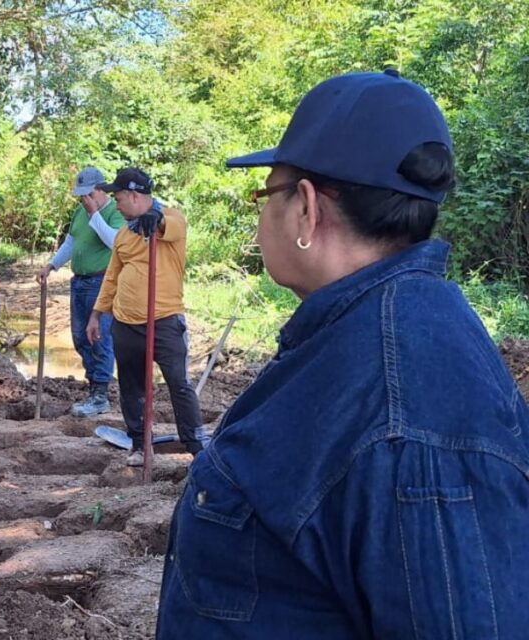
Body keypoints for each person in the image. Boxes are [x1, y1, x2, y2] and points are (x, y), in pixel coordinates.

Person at [156, 70, 529, 639]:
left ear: (306, 208)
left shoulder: (404, 409)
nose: (261, 219)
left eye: (266, 195)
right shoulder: (362, 335)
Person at [87, 168, 206, 467]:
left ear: (135, 196)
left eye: (118, 198)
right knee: (131, 386)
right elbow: (112, 277)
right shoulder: (125, 235)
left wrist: (158, 220)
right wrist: (96, 314)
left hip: (164, 320)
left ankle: (197, 448)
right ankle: (140, 444)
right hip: (125, 323)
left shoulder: (172, 218)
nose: (116, 204)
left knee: (178, 383)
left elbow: (174, 225)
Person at [37, 166, 125, 417]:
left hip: (102, 281)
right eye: (81, 195)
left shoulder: (113, 212)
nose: (84, 200)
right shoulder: (80, 211)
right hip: (79, 281)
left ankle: (100, 393)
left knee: (100, 336)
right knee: (80, 336)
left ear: (100, 190)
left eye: (88, 194)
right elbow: (72, 241)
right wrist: (52, 265)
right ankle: (93, 385)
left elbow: (114, 242)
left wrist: (94, 214)